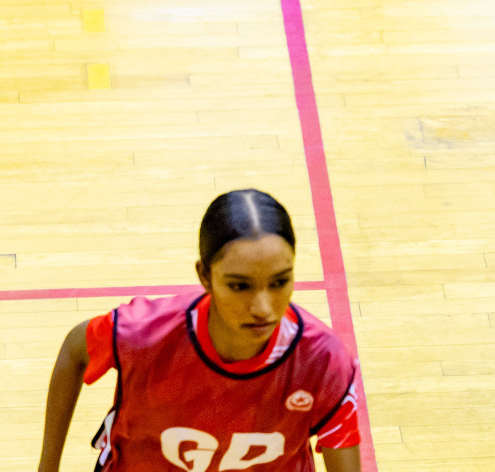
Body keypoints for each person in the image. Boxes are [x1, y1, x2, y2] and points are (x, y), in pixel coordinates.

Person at [38, 190, 362, 472]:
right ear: (205, 276)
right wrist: (47, 468)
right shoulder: (143, 335)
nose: (263, 307)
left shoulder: (324, 361)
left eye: (279, 282)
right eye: (240, 286)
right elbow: (74, 350)